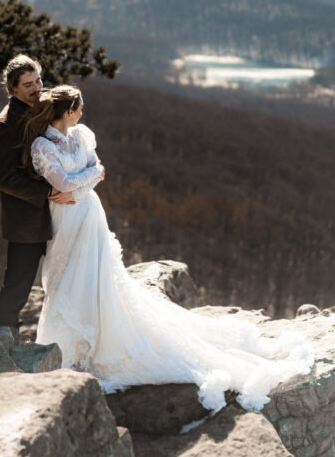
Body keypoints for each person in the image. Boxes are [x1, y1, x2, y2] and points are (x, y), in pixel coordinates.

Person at [23, 84, 314, 412]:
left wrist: (82, 183)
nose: (82, 113)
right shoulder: (42, 145)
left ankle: (88, 343)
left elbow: (95, 173)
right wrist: (85, 180)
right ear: (67, 110)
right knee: (64, 273)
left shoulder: (83, 135)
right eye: (78, 107)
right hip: (65, 218)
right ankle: (68, 345)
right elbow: (64, 182)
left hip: (87, 212)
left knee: (96, 274)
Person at [0, 54, 75, 339]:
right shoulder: (4, 125)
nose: (37, 88)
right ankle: (6, 338)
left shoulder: (42, 107)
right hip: (26, 218)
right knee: (19, 281)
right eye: (28, 85)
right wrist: (49, 192)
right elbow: (5, 180)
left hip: (56, 213)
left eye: (38, 80)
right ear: (12, 88)